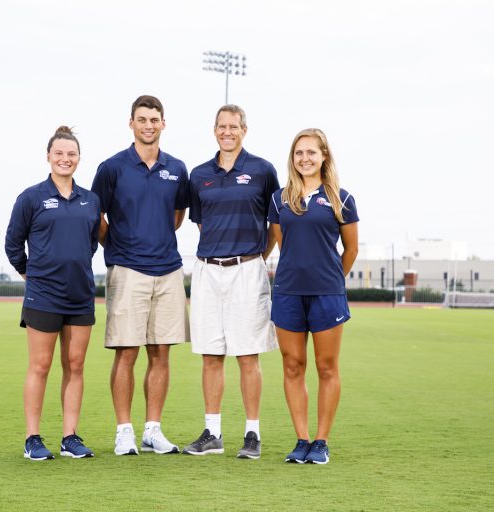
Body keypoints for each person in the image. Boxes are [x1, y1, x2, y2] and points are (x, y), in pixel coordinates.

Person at [91, 95, 189, 456]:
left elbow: (176, 216)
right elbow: (96, 216)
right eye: (142, 119)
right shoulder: (112, 168)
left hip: (168, 270)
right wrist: (117, 245)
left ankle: (152, 430)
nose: (149, 125)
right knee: (126, 353)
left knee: (161, 353)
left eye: (154, 119)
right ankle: (124, 431)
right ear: (130, 123)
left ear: (164, 123)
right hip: (127, 269)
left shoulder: (177, 168)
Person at [182, 105, 280, 459]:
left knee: (247, 356)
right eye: (222, 126)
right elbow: (202, 224)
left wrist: (255, 257)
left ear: (244, 130)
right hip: (208, 270)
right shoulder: (199, 174)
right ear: (214, 130)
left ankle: (252, 434)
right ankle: (213, 432)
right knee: (211, 354)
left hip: (247, 269)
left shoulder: (262, 171)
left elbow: (275, 225)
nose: (228, 131)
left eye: (234, 126)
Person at [5, 126, 101, 461]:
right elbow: (13, 244)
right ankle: (33, 437)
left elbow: (90, 244)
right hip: (43, 295)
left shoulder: (91, 200)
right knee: (41, 365)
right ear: (48, 156)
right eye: (59, 153)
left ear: (79, 158)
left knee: (75, 365)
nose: (65, 159)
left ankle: (70, 436)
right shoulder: (31, 197)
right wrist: (30, 273)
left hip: (80, 295)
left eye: (71, 154)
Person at [267, 128, 359, 465]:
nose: (304, 158)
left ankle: (321, 441)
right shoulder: (280, 200)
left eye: (311, 152)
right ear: (292, 159)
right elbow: (279, 242)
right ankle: (302, 439)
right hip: (288, 293)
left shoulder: (341, 199)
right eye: (298, 153)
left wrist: (332, 279)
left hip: (327, 295)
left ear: (324, 156)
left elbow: (351, 249)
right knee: (292, 367)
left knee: (326, 367)